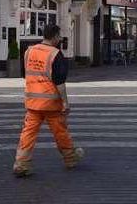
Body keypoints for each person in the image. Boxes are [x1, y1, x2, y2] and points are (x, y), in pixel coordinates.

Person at [13, 24, 84, 177]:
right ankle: (70, 157)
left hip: (32, 101)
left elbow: (25, 74)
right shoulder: (55, 54)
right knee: (60, 131)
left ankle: (21, 163)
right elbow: (59, 82)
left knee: (28, 133)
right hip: (51, 102)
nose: (60, 39)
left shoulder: (29, 51)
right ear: (54, 37)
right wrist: (65, 102)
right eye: (59, 36)